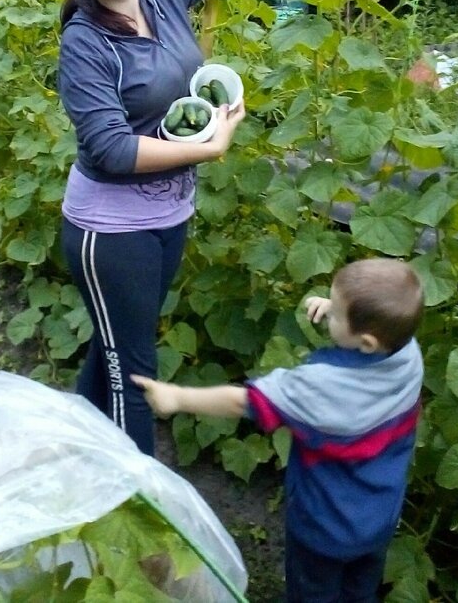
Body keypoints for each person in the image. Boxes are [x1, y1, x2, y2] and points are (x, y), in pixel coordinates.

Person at [57, 0, 369, 456]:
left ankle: (75, 452)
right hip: (110, 233)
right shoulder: (85, 43)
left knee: (116, 347)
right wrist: (208, 146)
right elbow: (112, 148)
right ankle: (144, 526)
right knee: (135, 376)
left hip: (166, 217)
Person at [133, 258, 425, 603]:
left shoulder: (321, 388)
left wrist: (177, 397)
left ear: (366, 341)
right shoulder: (407, 356)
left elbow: (244, 402)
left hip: (325, 526)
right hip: (378, 518)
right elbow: (371, 338)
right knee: (360, 590)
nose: (328, 314)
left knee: (313, 593)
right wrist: (337, 310)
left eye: (335, 315)